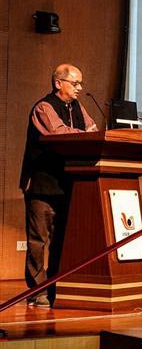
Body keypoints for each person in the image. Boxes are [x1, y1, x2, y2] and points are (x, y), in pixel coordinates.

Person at [19, 64, 98, 307]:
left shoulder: (77, 107)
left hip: (67, 183)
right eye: (75, 83)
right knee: (38, 241)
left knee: (61, 240)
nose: (80, 88)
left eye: (80, 83)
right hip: (42, 183)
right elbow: (59, 133)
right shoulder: (44, 107)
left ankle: (55, 286)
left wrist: (85, 133)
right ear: (58, 83)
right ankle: (37, 290)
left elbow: (93, 129)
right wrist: (83, 133)